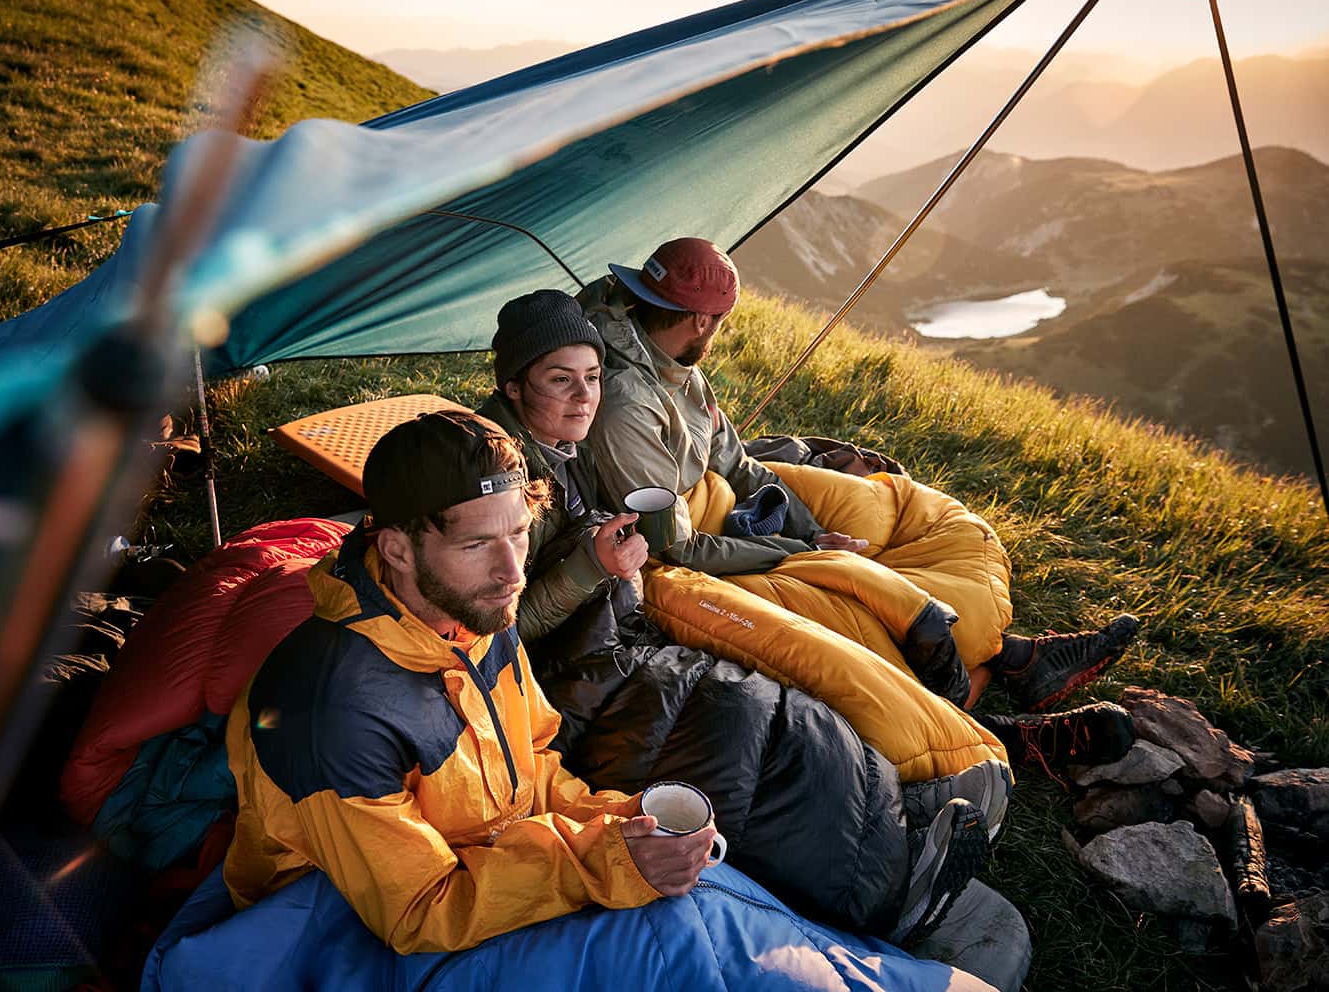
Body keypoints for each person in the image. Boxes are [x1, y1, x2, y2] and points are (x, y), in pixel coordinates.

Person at [475, 289, 1007, 948]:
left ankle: (899, 805)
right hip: (549, 684)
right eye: (561, 381)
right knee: (730, 748)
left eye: (591, 377)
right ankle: (892, 902)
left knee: (769, 703)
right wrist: (588, 569)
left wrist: (612, 555)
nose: (586, 396)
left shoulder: (559, 447)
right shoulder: (495, 476)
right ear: (513, 385)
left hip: (608, 639)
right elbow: (490, 627)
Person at [580, 237, 1140, 725]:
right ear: (701, 320)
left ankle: (1013, 659)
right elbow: (673, 546)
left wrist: (815, 530)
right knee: (842, 596)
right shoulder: (628, 402)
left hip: (712, 502)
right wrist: (796, 549)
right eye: (719, 322)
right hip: (657, 550)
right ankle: (1002, 673)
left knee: (893, 513)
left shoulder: (675, 364)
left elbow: (737, 462)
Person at [220, 409, 720, 954]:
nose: (512, 572)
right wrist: (601, 862)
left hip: (485, 868)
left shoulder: (475, 615)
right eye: (476, 544)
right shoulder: (334, 712)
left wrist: (624, 823)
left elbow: (532, 764)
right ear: (397, 550)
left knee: (704, 922)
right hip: (332, 926)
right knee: (667, 954)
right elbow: (417, 912)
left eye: (519, 533)